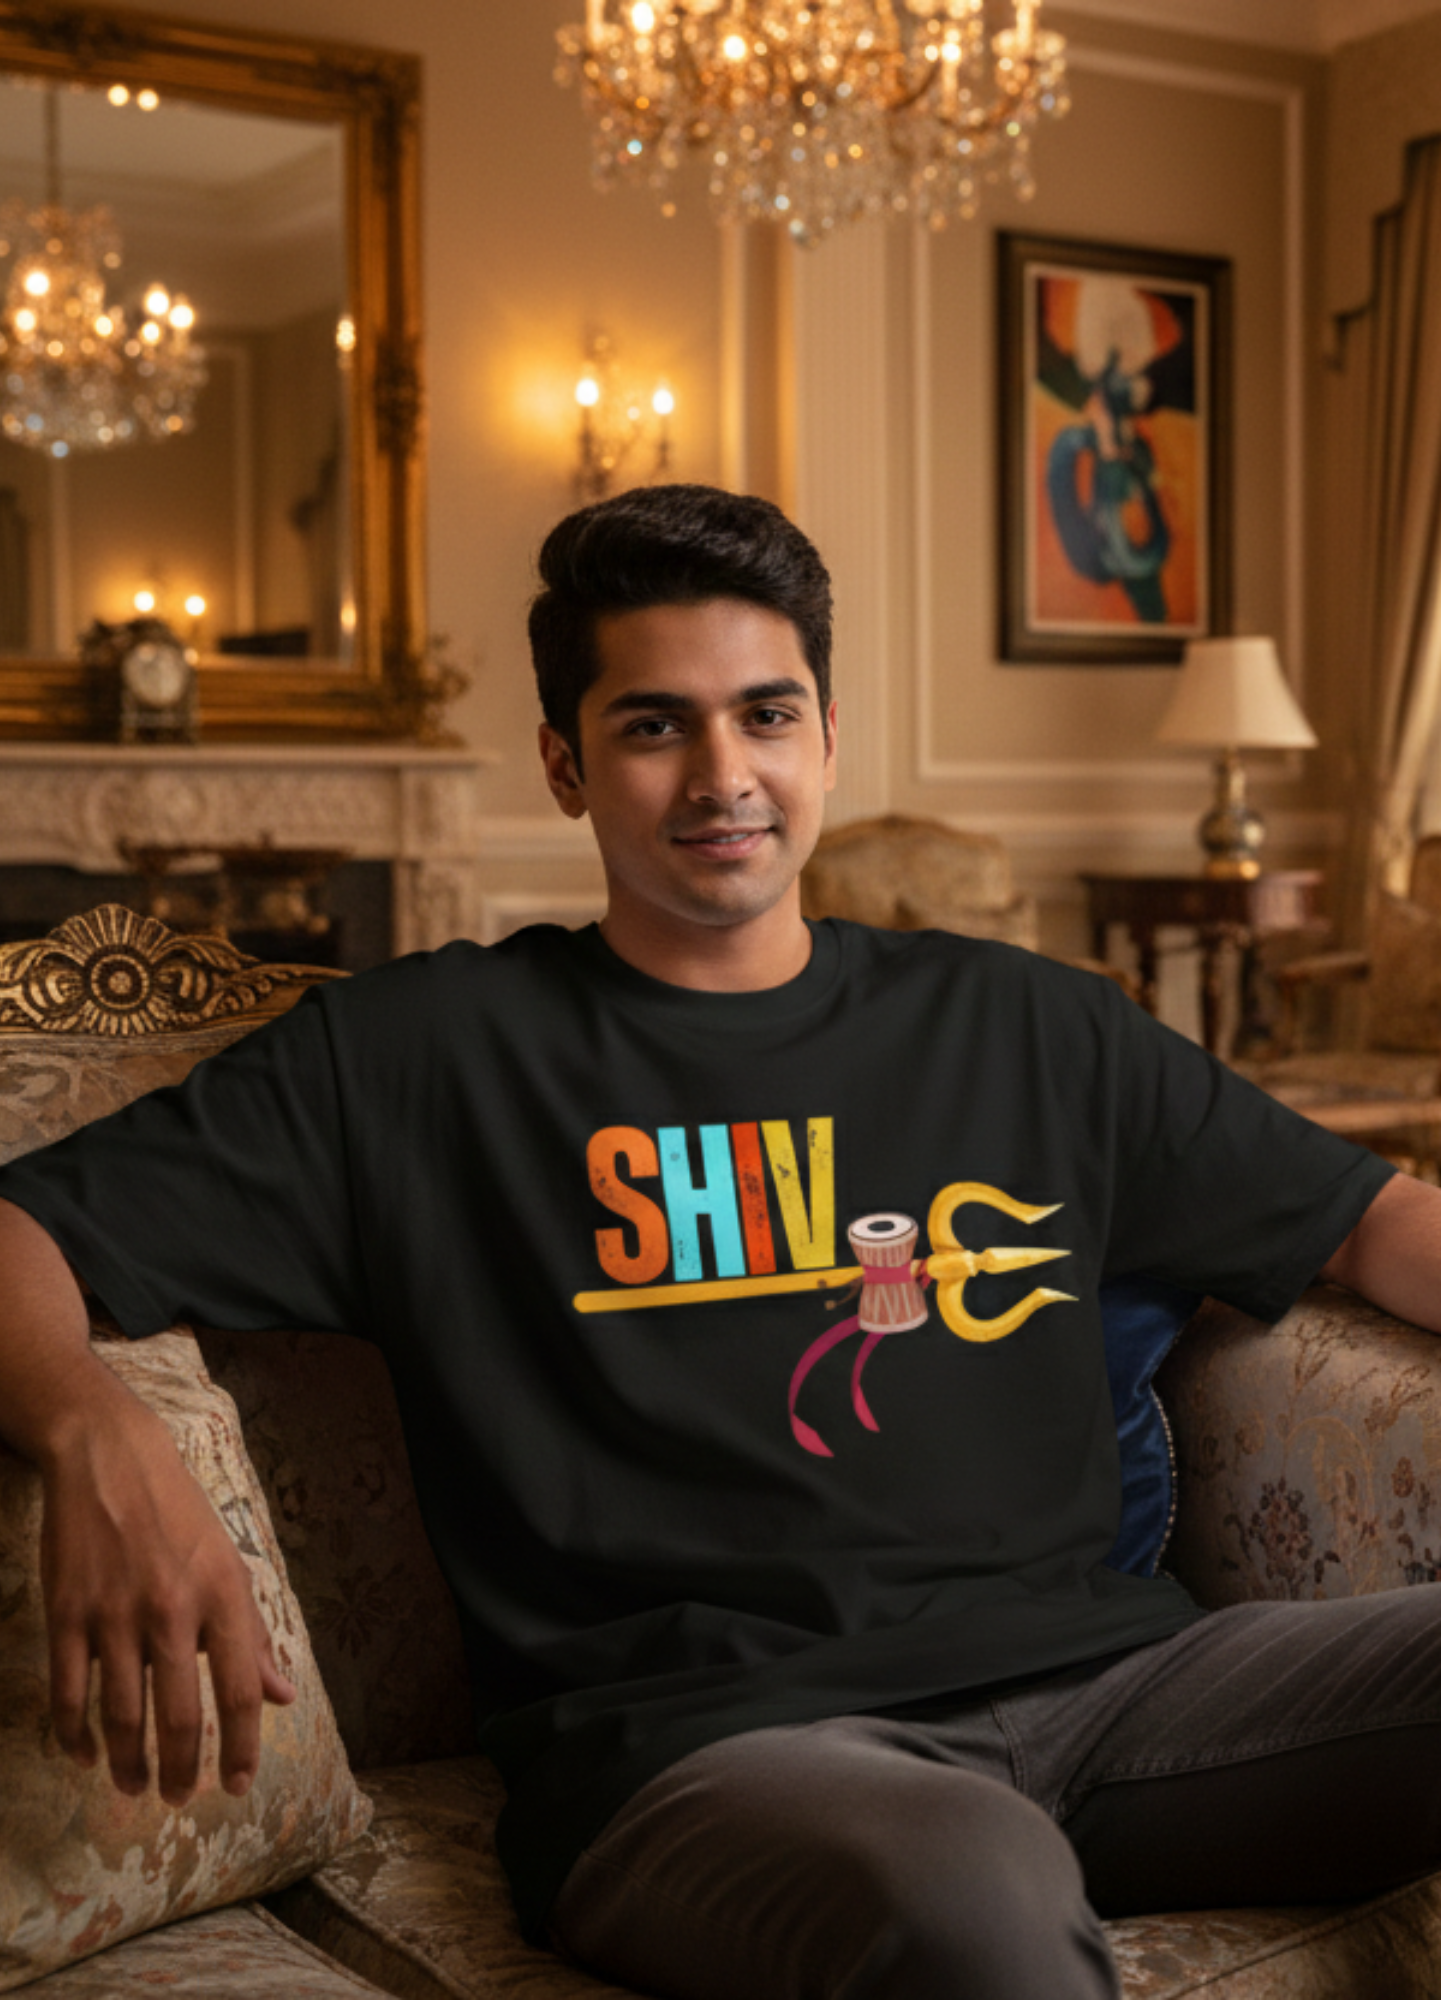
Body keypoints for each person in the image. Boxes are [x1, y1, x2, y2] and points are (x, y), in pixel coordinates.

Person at [2, 482, 1441, 2000]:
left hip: (1128, 1695)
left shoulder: (1024, 1022)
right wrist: (94, 1435)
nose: (723, 774)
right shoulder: (422, 1058)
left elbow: (1378, 1222)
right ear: (565, 765)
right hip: (718, 1762)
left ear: (828, 736)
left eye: (767, 714)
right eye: (652, 726)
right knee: (972, 1895)